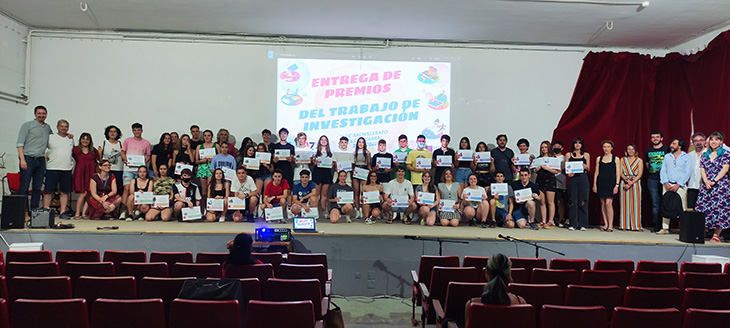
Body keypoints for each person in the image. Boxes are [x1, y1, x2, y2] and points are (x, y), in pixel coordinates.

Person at [17, 105, 55, 209]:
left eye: (43, 113)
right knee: (24, 187)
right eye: (39, 113)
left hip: (41, 160)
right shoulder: (27, 126)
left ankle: (34, 210)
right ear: (35, 114)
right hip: (28, 159)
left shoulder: (47, 128)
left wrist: (68, 135)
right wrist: (22, 160)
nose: (41, 115)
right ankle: (22, 212)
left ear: (46, 115)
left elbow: (53, 142)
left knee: (37, 187)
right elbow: (20, 144)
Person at [695, 132, 730, 243]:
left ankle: (716, 234)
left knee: (720, 209)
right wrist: (706, 181)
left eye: (717, 139)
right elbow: (702, 169)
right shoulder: (705, 155)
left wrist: (714, 181)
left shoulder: (725, 154)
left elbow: (725, 169)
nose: (714, 142)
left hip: (720, 185)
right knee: (703, 207)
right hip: (707, 184)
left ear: (721, 142)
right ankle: (704, 231)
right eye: (712, 139)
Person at [657, 138, 692, 234]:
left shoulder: (686, 157)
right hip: (667, 184)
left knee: (681, 206)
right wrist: (666, 183)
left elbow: (687, 172)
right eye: (671, 144)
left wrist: (678, 184)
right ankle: (665, 228)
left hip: (680, 186)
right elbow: (663, 170)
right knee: (666, 205)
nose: (671, 145)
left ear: (679, 146)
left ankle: (683, 229)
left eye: (674, 144)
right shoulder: (668, 156)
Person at [43, 119, 74, 219]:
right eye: (62, 126)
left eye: (66, 126)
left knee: (64, 192)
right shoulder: (50, 137)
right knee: (48, 191)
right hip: (52, 168)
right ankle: (46, 210)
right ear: (57, 127)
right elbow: (42, 149)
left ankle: (63, 212)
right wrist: (45, 156)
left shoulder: (70, 139)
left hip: (66, 169)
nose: (64, 128)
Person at [120, 123, 151, 220]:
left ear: (142, 130)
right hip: (128, 169)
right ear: (132, 131)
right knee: (127, 189)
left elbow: (148, 155)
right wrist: (125, 159)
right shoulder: (127, 141)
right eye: (135, 130)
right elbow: (123, 152)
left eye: (138, 130)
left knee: (141, 190)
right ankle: (124, 211)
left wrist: (143, 162)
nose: (137, 132)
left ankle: (138, 210)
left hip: (140, 171)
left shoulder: (146, 143)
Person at [593, 140, 621, 232]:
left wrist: (617, 185)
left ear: (612, 148)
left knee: (609, 204)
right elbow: (596, 172)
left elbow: (618, 173)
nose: (606, 149)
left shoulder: (616, 159)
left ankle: (610, 225)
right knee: (603, 204)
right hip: (601, 182)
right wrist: (595, 185)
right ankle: (605, 224)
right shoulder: (599, 159)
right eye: (604, 147)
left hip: (611, 183)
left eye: (608, 147)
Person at [645, 131, 670, 232]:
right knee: (655, 203)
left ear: (662, 138)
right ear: (651, 139)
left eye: (657, 137)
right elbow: (647, 165)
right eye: (653, 137)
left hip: (666, 180)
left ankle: (665, 227)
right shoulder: (648, 151)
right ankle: (657, 225)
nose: (655, 139)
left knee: (666, 203)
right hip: (652, 179)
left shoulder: (667, 149)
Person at [566, 137, 590, 231]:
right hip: (573, 179)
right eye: (575, 143)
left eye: (579, 143)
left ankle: (583, 223)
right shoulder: (568, 154)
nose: (577, 145)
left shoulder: (586, 155)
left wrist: (585, 167)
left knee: (583, 200)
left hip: (583, 178)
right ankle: (573, 223)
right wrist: (569, 173)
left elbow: (588, 168)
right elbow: (567, 168)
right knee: (573, 200)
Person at [72, 133, 98, 219]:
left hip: (91, 174)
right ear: (80, 140)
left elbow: (98, 161)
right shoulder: (75, 150)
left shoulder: (94, 151)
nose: (85, 141)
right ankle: (77, 213)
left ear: (90, 141)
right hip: (80, 174)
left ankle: (84, 213)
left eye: (87, 139)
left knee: (89, 193)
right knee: (83, 193)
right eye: (83, 139)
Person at [534, 140, 559, 228]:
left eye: (545, 147)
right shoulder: (538, 158)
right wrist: (536, 169)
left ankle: (550, 221)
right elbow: (534, 170)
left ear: (549, 148)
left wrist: (546, 168)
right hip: (540, 180)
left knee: (550, 202)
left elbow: (556, 171)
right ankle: (543, 220)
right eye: (542, 147)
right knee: (542, 201)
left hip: (550, 180)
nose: (544, 149)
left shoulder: (553, 158)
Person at [620, 144, 643, 231]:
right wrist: (626, 180)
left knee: (636, 204)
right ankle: (624, 225)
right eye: (629, 149)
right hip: (624, 181)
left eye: (632, 149)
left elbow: (640, 174)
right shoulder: (622, 160)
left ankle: (635, 225)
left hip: (635, 183)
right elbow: (620, 172)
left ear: (635, 150)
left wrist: (631, 182)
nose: (631, 151)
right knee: (624, 204)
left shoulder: (639, 160)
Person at [312, 135, 334, 217]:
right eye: (322, 139)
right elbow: (312, 162)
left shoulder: (330, 154)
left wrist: (332, 164)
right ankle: (315, 211)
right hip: (317, 173)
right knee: (316, 194)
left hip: (326, 173)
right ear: (319, 141)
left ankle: (324, 211)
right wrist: (314, 162)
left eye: (325, 140)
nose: (323, 141)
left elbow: (332, 164)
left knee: (324, 194)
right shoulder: (315, 152)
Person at [98, 125, 124, 193]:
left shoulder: (121, 144)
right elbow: (99, 157)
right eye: (110, 131)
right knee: (107, 188)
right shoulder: (103, 143)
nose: (112, 133)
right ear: (107, 133)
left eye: (114, 131)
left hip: (119, 170)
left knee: (118, 189)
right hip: (106, 170)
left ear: (118, 133)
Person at [353, 137, 371, 219]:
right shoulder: (354, 152)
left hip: (364, 170)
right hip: (356, 170)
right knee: (356, 191)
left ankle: (365, 210)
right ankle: (357, 210)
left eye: (362, 142)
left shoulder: (367, 152)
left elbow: (369, 164)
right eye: (359, 142)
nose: (360, 143)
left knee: (363, 191)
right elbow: (352, 163)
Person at [687, 133, 706, 210]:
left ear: (705, 141)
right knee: (692, 210)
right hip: (691, 186)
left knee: (703, 210)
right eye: (696, 141)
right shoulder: (689, 155)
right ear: (693, 142)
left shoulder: (709, 154)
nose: (698, 142)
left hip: (704, 187)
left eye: (701, 140)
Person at [196, 129, 217, 198]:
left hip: (211, 167)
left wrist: (213, 160)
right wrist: (202, 161)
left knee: (210, 187)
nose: (207, 137)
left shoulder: (216, 146)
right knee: (203, 188)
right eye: (205, 136)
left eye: (208, 135)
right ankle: (204, 203)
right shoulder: (199, 147)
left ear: (212, 136)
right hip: (202, 168)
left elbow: (219, 158)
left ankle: (210, 202)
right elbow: (196, 161)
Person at [551, 141, 568, 227]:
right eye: (555, 146)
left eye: (559, 146)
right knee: (551, 201)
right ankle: (552, 219)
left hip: (561, 182)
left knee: (559, 201)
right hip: (550, 181)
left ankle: (561, 219)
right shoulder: (550, 157)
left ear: (562, 148)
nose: (556, 148)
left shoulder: (564, 158)